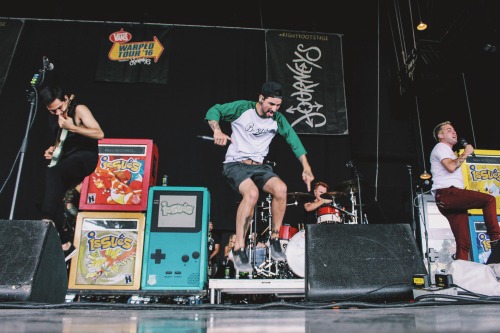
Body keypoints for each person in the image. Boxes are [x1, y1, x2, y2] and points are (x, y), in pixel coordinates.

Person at [205, 82, 314, 272]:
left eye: (278, 105)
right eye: (271, 104)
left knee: (281, 189)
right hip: (235, 165)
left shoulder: (277, 119)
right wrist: (217, 130)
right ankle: (239, 248)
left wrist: (306, 167)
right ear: (261, 98)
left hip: (260, 167)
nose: (274, 109)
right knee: (252, 194)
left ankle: (274, 239)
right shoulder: (242, 108)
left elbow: (293, 140)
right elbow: (214, 111)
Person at [39, 85, 104, 262]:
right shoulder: (53, 118)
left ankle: (48, 220)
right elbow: (62, 143)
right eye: (53, 111)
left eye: (60, 107)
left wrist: (73, 127)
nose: (58, 112)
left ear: (66, 99)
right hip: (67, 160)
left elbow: (99, 133)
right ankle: (65, 243)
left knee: (54, 175)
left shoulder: (79, 109)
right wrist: (53, 150)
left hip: (85, 157)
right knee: (49, 191)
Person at [430, 121, 500, 261]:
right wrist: (466, 153)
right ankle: (496, 239)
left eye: (454, 130)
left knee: (463, 243)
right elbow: (450, 167)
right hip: (447, 194)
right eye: (449, 130)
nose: (454, 132)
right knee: (489, 200)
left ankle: (461, 275)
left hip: (448, 198)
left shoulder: (449, 151)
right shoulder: (441, 146)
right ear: (441, 135)